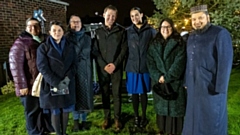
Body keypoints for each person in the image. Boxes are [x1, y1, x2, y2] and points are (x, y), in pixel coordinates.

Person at [182, 5, 233, 135]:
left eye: (200, 18)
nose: (197, 22)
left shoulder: (220, 33)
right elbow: (190, 60)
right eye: (194, 19)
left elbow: (225, 63)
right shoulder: (191, 36)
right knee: (194, 119)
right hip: (194, 86)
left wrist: (220, 88)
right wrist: (187, 82)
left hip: (210, 87)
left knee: (211, 120)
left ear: (208, 18)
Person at [9, 17, 54, 135]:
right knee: (32, 111)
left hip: (42, 83)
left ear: (40, 27)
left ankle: (44, 130)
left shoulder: (44, 40)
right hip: (29, 84)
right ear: (26, 28)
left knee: (42, 108)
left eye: (36, 25)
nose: (33, 28)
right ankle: (34, 131)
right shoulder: (20, 43)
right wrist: (22, 85)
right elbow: (16, 66)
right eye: (30, 26)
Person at [37, 21, 77, 135]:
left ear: (63, 32)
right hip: (51, 83)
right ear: (49, 32)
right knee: (55, 109)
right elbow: (42, 67)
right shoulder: (43, 47)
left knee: (65, 108)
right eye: (54, 30)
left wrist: (67, 79)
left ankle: (64, 133)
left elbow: (74, 64)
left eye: (59, 30)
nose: (57, 32)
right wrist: (55, 82)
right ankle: (58, 133)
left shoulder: (70, 46)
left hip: (67, 82)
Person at [147, 18, 186, 135]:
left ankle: (174, 132)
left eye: (168, 27)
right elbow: (150, 62)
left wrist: (167, 77)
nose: (165, 29)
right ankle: (162, 130)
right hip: (159, 83)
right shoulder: (153, 44)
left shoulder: (179, 43)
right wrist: (158, 76)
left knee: (174, 111)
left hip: (174, 83)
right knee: (162, 110)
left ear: (172, 28)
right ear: (159, 29)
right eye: (163, 27)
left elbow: (180, 62)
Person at [92, 5, 127, 131]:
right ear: (104, 15)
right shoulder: (97, 32)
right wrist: (103, 65)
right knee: (105, 94)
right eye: (109, 15)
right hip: (103, 69)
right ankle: (107, 118)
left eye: (113, 16)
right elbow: (95, 51)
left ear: (116, 17)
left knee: (117, 94)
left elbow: (124, 50)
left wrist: (115, 64)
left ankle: (117, 119)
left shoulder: (121, 31)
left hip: (116, 68)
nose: (111, 18)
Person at [125, 7, 157, 128]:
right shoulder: (128, 31)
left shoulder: (151, 31)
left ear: (141, 15)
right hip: (132, 67)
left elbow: (155, 48)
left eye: (136, 15)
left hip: (145, 66)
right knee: (134, 93)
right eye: (132, 16)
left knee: (143, 92)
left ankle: (143, 116)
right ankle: (136, 116)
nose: (134, 18)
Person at [65, 15, 93, 132]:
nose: (76, 24)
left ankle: (84, 120)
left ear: (81, 24)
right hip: (72, 70)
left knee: (84, 95)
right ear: (70, 24)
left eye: (78, 22)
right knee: (74, 95)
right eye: (73, 22)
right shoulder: (66, 38)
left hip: (85, 70)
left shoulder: (87, 38)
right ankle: (76, 121)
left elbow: (89, 51)